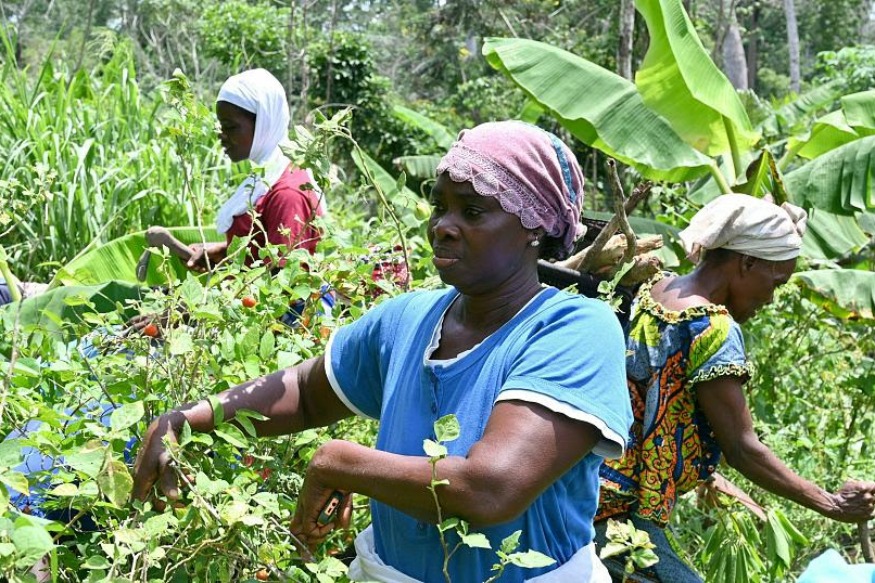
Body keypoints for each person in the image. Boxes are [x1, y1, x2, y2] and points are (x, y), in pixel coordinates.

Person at [132, 121, 633, 582]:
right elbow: (307, 393)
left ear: (535, 228)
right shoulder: (410, 318)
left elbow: (490, 487)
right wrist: (187, 419)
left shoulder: (573, 330)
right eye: (440, 206)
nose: (442, 225)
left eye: (473, 211)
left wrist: (340, 462)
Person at [593, 194, 875, 582]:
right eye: (775, 283)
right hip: (623, 513)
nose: (771, 299)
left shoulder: (656, 290)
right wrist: (832, 504)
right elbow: (742, 447)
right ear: (746, 262)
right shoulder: (713, 328)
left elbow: (660, 401)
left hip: (589, 487)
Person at [188, 67, 324, 271]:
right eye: (221, 127)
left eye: (231, 127)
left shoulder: (287, 194)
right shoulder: (267, 177)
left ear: (263, 123)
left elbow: (285, 285)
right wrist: (225, 252)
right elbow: (264, 245)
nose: (221, 135)